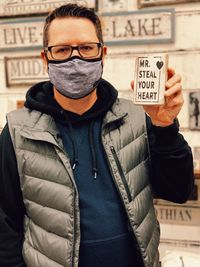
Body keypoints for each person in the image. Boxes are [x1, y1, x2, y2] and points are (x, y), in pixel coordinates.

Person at [0, 4, 194, 267]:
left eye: (86, 48)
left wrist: (164, 126)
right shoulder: (17, 130)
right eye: (62, 50)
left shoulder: (136, 119)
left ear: (103, 54)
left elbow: (178, 190)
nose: (75, 59)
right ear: (45, 58)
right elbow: (6, 222)